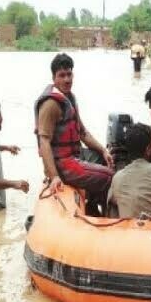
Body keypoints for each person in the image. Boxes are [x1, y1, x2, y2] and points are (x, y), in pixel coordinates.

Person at [35, 53, 114, 216]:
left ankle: (91, 205)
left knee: (106, 160)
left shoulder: (69, 98)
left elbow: (83, 133)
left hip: (74, 155)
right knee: (109, 176)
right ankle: (106, 218)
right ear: (54, 78)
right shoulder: (50, 105)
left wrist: (103, 150)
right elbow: (44, 142)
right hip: (62, 163)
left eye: (69, 74)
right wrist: (54, 176)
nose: (66, 79)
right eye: (61, 75)